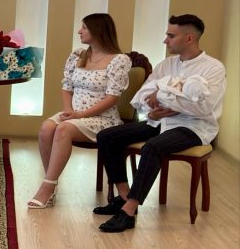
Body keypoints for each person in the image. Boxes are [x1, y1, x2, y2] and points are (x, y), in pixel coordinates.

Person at [95, 14, 226, 233]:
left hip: (193, 127)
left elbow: (203, 108)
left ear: (189, 38)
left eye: (170, 36)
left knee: (153, 147)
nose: (165, 40)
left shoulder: (213, 68)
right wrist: (155, 110)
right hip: (158, 121)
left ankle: (128, 211)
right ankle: (124, 196)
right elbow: (140, 98)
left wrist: (161, 93)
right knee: (107, 136)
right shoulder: (166, 65)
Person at [28, 13, 131, 208]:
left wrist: (79, 115)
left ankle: (46, 188)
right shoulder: (77, 56)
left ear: (98, 30)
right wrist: (69, 111)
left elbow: (112, 98)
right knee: (46, 128)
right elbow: (67, 87)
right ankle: (51, 182)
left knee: (63, 129)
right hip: (74, 114)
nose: (79, 31)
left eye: (84, 27)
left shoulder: (119, 60)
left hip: (103, 119)